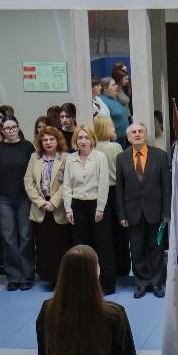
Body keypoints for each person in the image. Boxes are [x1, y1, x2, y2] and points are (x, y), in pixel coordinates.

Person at [117, 124, 171, 299]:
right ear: (129, 137)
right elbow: (120, 189)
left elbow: (166, 187)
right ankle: (141, 283)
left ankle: (156, 283)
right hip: (132, 213)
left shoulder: (160, 156)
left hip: (156, 212)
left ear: (146, 135)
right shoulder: (121, 157)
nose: (137, 134)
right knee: (137, 249)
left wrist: (166, 213)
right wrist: (122, 214)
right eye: (134, 132)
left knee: (156, 248)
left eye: (141, 131)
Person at [64, 124, 116, 295]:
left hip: (97, 205)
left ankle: (106, 284)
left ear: (92, 140)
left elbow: (103, 184)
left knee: (103, 245)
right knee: (81, 247)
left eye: (86, 137)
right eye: (80, 137)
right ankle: (84, 284)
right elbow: (67, 185)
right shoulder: (70, 159)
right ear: (75, 141)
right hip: (77, 205)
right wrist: (68, 208)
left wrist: (100, 208)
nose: (83, 141)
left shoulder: (100, 157)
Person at [0, 116, 36, 291]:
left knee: (25, 235)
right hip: (3, 198)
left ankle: (27, 275)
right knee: (8, 237)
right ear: (2, 131)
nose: (10, 131)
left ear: (18, 128)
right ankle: (13, 276)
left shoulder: (27, 147)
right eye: (7, 128)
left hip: (24, 196)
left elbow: (33, 172)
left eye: (13, 127)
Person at [24, 126, 71, 286]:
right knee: (45, 246)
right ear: (40, 142)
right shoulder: (34, 157)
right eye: (45, 140)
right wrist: (41, 202)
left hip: (59, 208)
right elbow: (28, 182)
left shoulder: (66, 157)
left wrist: (54, 202)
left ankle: (63, 278)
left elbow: (68, 183)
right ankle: (50, 278)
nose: (48, 142)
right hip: (41, 208)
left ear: (58, 140)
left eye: (52, 139)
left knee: (61, 245)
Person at [93, 116, 129, 283]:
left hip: (97, 193)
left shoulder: (92, 149)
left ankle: (108, 268)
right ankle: (123, 266)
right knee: (120, 232)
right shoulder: (115, 147)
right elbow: (124, 170)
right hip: (115, 190)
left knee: (104, 233)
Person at [99, 77, 130, 145]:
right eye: (113, 85)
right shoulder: (101, 100)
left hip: (125, 136)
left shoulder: (115, 97)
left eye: (115, 84)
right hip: (115, 139)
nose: (116, 86)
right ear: (105, 88)